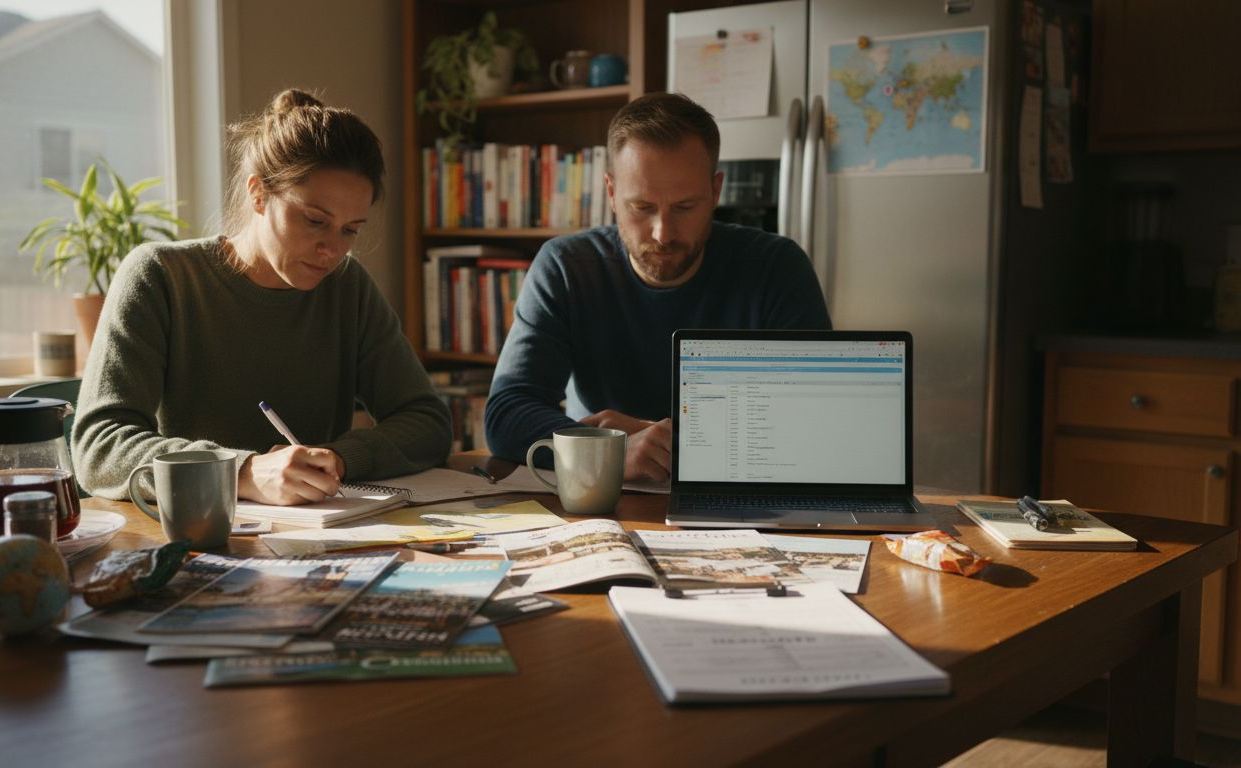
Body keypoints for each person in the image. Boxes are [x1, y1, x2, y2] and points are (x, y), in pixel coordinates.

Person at [75, 88, 451, 505]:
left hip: (317, 537)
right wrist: (242, 472)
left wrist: (339, 460)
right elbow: (99, 448)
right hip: (193, 536)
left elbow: (427, 422)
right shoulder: (160, 276)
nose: (332, 249)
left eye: (350, 230)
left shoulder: (347, 287)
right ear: (258, 194)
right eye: (314, 220)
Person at [484, 92, 830, 483]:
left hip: (741, 497)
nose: (663, 233)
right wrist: (610, 449)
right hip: (606, 506)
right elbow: (506, 413)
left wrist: (664, 441)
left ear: (716, 193)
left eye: (684, 207)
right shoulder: (566, 267)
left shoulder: (777, 268)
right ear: (612, 193)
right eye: (642, 207)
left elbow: (814, 422)